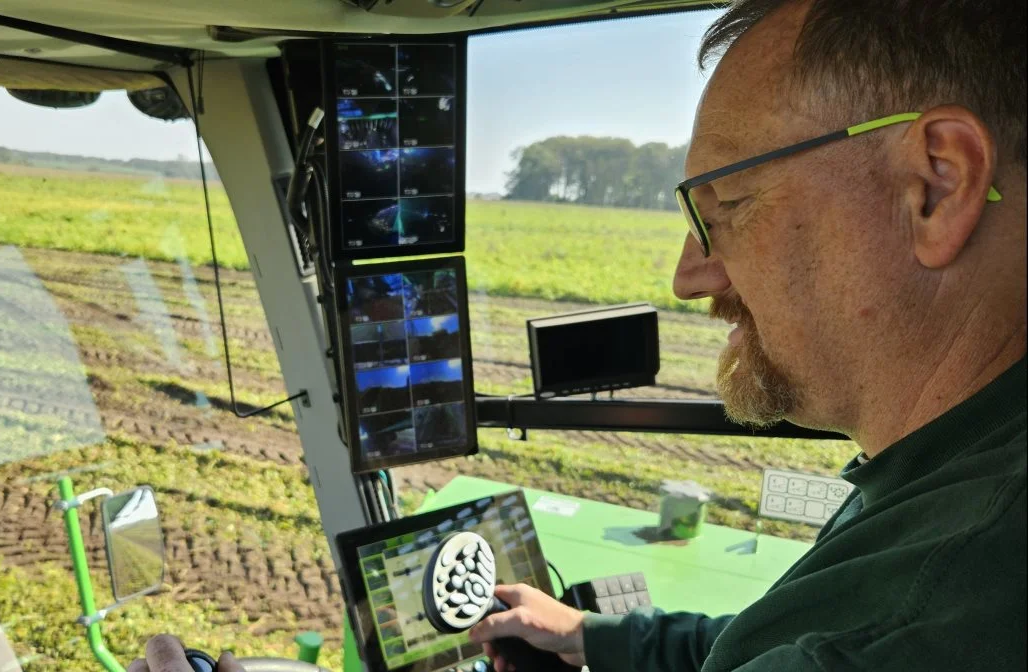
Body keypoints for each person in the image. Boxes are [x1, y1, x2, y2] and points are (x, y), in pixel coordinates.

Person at [131, 0, 1026, 669]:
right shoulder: (956, 477)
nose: (690, 275)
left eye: (727, 207)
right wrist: (593, 638)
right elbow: (764, 648)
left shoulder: (934, 609)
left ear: (936, 188)